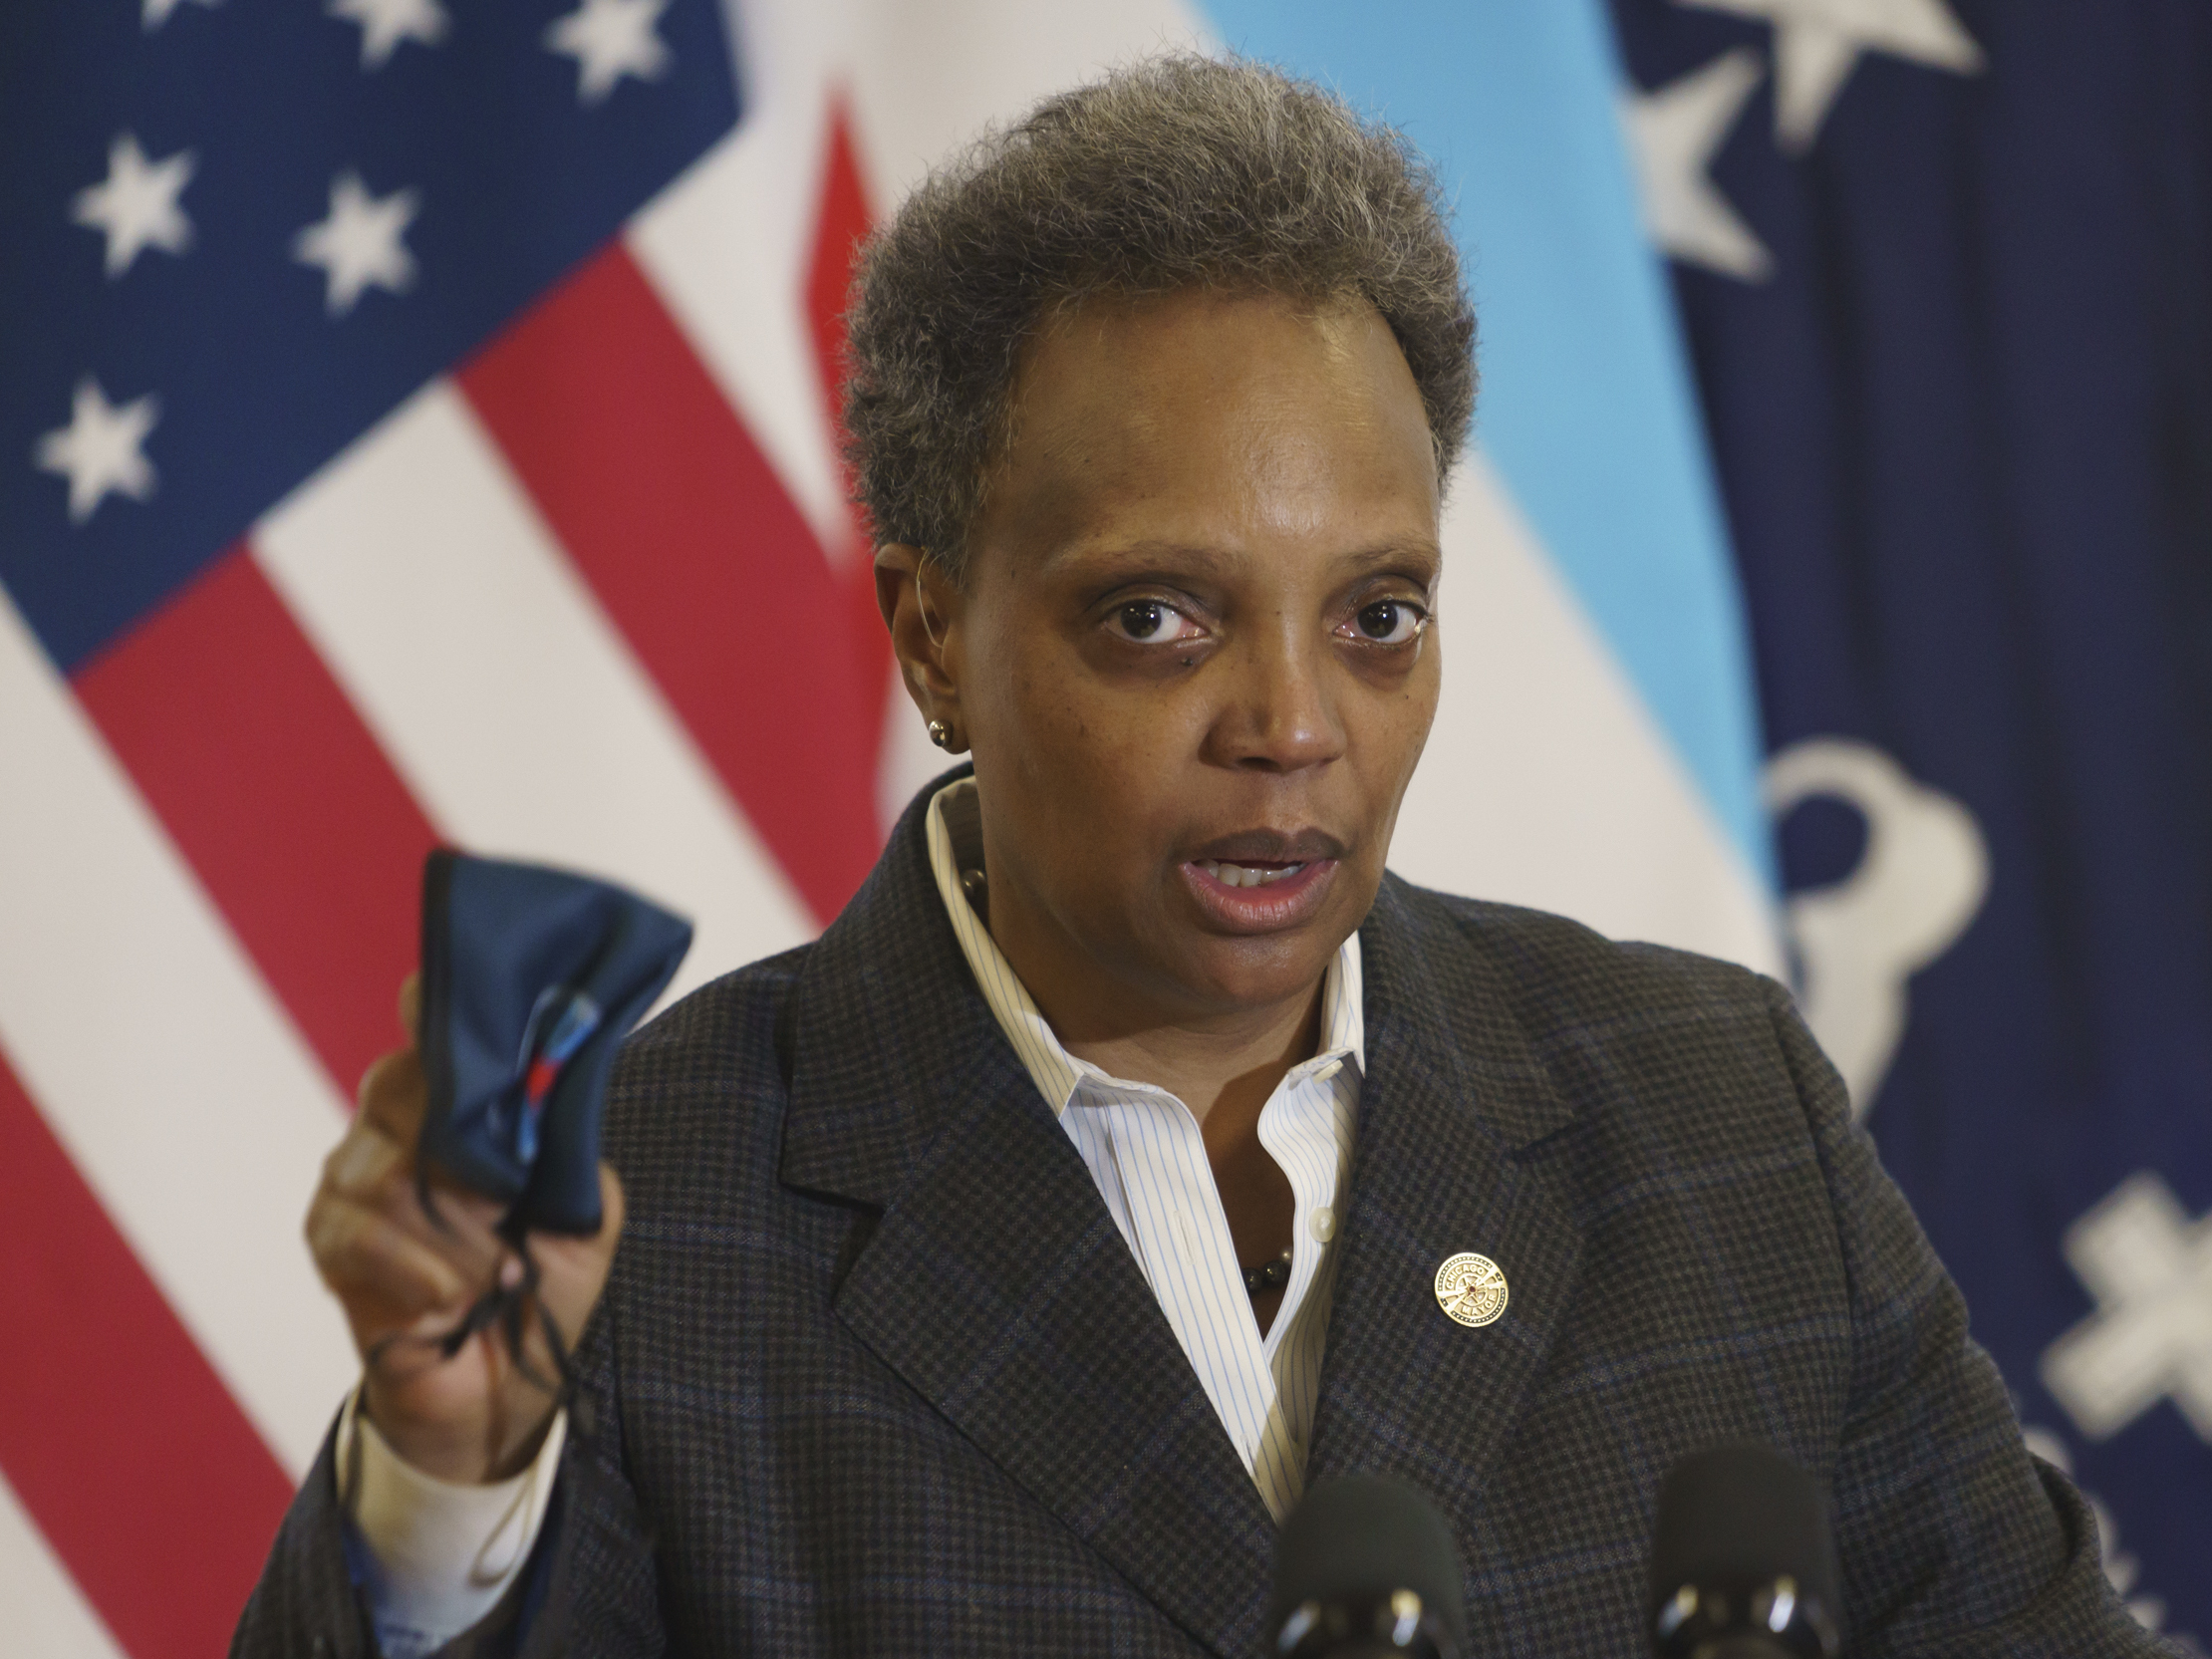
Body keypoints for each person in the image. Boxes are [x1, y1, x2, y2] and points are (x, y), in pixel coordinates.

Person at [233, 55, 2171, 1659]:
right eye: (1159, 616)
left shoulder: (1712, 1109)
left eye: (1378, 614)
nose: (1292, 721)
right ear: (931, 636)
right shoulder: (647, 1217)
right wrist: (448, 1487)